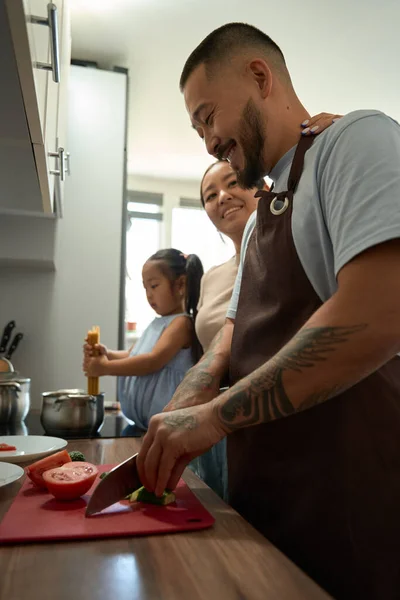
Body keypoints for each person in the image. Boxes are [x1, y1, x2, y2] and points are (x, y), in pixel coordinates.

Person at [137, 23, 400, 600]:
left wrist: (212, 419)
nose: (207, 142)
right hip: (262, 516)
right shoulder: (259, 221)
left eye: (209, 117)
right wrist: (188, 400)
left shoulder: (357, 141)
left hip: (349, 521)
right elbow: (231, 341)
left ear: (260, 76)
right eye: (197, 128)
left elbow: (380, 311)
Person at [83, 248, 203, 430]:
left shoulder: (182, 324)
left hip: (169, 426)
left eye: (154, 286)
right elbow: (133, 355)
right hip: (144, 426)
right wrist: (107, 354)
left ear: (180, 285)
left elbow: (152, 361)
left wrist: (105, 367)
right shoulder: (157, 323)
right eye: (145, 288)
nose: (148, 294)